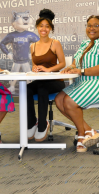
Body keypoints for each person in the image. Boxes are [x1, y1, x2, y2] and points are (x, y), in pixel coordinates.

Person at [54, 15, 99, 152]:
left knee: (69, 102)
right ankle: (89, 131)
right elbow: (76, 62)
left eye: (96, 25)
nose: (91, 28)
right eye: (89, 25)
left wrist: (82, 71)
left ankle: (81, 135)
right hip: (85, 82)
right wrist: (71, 67)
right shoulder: (85, 44)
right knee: (59, 99)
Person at [27, 9, 66, 142]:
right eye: (41, 26)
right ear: (37, 27)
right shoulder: (32, 46)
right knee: (26, 89)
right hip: (40, 80)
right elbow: (34, 64)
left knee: (42, 89)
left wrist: (49, 70)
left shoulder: (55, 43)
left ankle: (43, 125)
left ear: (50, 29)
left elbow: (62, 64)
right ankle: (32, 123)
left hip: (55, 80)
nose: (44, 29)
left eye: (47, 26)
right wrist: (34, 67)